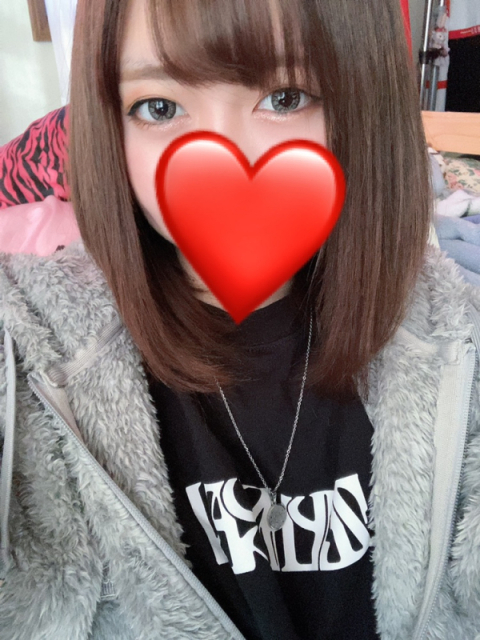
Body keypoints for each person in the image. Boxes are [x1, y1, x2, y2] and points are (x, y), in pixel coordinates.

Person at [0, 0, 480, 638]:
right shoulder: (33, 340)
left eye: (285, 98)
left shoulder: (458, 346)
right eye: (159, 107)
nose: (220, 158)